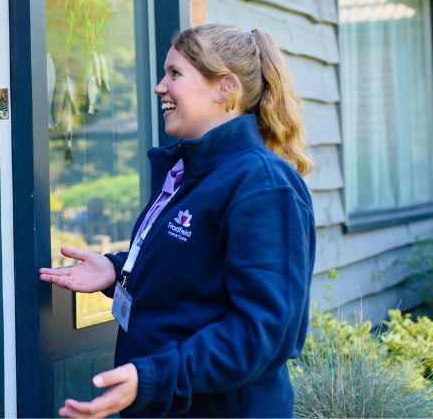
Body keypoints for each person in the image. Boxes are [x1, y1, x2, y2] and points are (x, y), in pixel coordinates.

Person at [40, 24, 316, 418]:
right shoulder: (187, 171)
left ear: (225, 88)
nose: (159, 87)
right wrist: (116, 270)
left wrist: (155, 376)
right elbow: (192, 271)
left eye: (175, 74)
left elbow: (262, 334)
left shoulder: (264, 186)